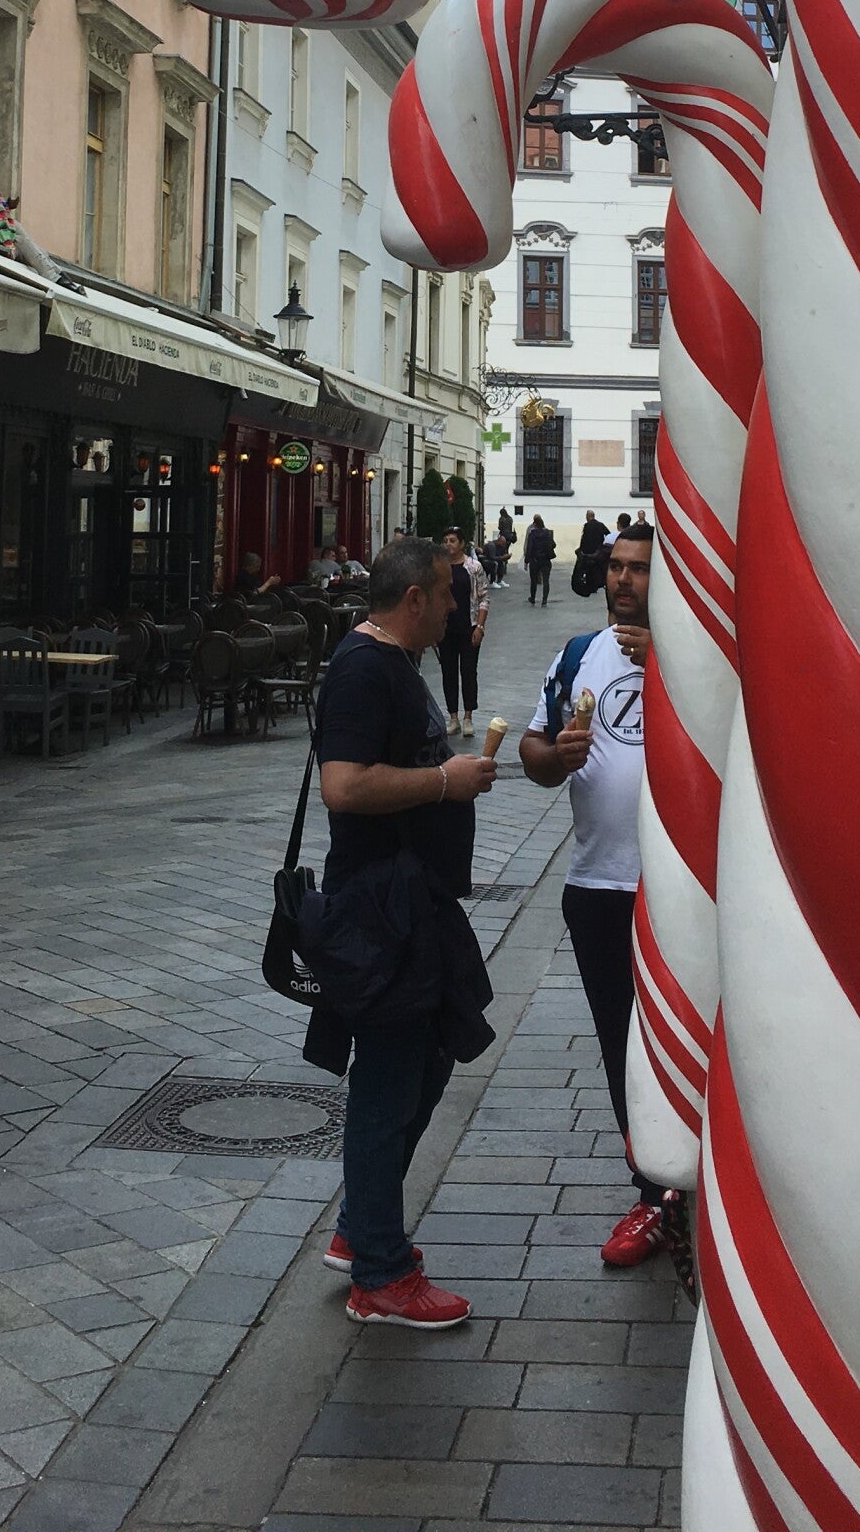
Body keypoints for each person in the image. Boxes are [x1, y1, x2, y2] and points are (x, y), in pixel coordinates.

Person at [310, 535, 495, 1328]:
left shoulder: (394, 662)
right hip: (380, 910)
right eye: (448, 593)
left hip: (413, 903)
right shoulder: (363, 669)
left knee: (429, 1058)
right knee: (387, 1085)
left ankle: (362, 1226)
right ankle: (381, 1276)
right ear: (414, 598)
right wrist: (445, 781)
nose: (455, 605)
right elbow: (344, 787)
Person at [521, 525, 667, 1266]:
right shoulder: (579, 655)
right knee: (621, 1045)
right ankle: (652, 1194)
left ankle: (699, 1186)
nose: (624, 580)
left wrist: (670, 663)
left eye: (639, 568)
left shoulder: (699, 656)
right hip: (598, 886)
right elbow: (533, 752)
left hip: (680, 894)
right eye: (616, 567)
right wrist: (555, 755)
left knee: (686, 1045)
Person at [436, 529, 488, 738]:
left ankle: (468, 717)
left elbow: (483, 597)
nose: (449, 544)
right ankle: (453, 717)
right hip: (445, 629)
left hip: (468, 626)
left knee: (468, 671)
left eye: (453, 540)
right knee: (448, 672)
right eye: (445, 540)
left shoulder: (474, 567)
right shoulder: (439, 568)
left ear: (462, 543)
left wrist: (480, 627)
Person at [523, 514, 556, 605]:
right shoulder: (547, 533)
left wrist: (526, 560)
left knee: (533, 580)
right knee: (546, 580)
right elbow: (553, 545)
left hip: (535, 560)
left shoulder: (532, 534)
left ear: (535, 525)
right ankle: (544, 599)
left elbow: (529, 548)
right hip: (545, 559)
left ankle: (533, 597)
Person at [494, 507, 515, 587]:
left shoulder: (501, 519)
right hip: (509, 537)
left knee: (502, 552)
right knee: (506, 551)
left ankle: (502, 567)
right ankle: (505, 567)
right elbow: (511, 527)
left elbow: (500, 527)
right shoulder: (510, 518)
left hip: (503, 537)